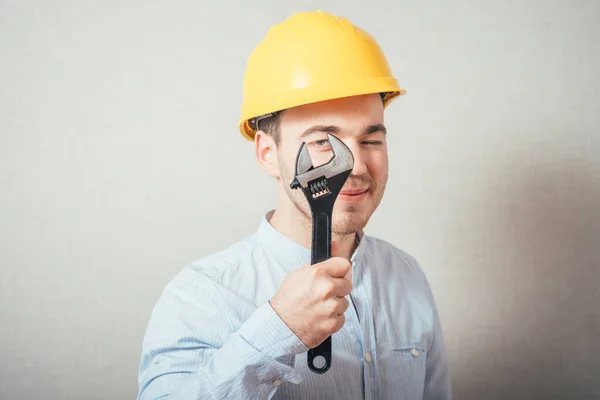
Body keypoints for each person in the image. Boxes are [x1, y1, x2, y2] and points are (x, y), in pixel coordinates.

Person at [137, 10, 451, 400]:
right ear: (268, 153)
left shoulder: (407, 278)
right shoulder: (201, 296)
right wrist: (277, 331)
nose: (353, 166)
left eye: (371, 140)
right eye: (323, 141)